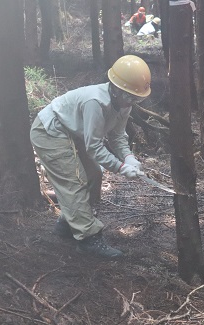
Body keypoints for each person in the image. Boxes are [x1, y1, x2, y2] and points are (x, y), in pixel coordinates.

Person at [30, 55, 151, 258]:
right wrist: (120, 167)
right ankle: (88, 238)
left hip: (73, 132)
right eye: (130, 96)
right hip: (50, 131)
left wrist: (128, 157)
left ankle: (69, 221)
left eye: (136, 98)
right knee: (75, 181)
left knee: (94, 174)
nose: (132, 101)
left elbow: (117, 136)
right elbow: (94, 146)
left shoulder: (124, 105)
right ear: (117, 89)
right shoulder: (95, 102)